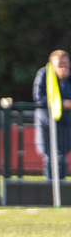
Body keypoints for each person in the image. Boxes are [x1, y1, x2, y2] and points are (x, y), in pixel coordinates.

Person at [32, 50, 71, 180]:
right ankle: (50, 188)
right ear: (52, 65)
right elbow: (39, 97)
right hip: (46, 123)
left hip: (65, 122)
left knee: (63, 158)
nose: (63, 67)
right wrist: (62, 103)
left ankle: (62, 187)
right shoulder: (43, 74)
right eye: (59, 65)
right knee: (49, 158)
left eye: (65, 64)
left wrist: (65, 82)